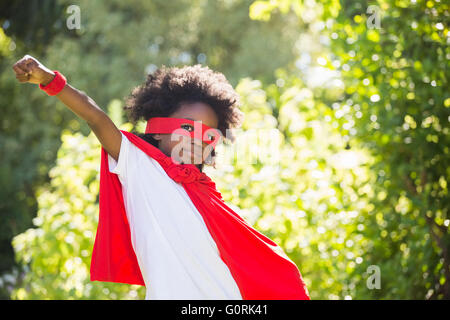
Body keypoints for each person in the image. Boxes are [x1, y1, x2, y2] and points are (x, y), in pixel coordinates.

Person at [12, 55, 310, 300]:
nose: (198, 140)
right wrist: (50, 80)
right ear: (159, 128)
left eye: (209, 135)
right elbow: (96, 117)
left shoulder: (206, 194)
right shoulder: (139, 165)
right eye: (188, 128)